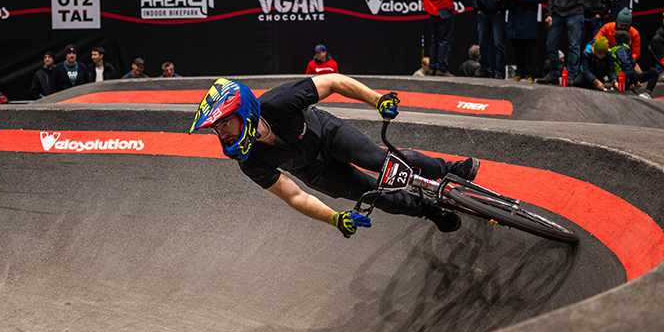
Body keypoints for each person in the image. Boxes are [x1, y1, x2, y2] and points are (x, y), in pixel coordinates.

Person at [188, 76, 479, 237]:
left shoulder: (279, 102)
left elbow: (334, 82)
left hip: (327, 133)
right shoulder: (249, 160)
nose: (221, 133)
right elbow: (293, 196)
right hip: (315, 171)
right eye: (216, 128)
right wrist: (335, 219)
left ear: (243, 112)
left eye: (224, 123)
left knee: (382, 161)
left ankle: (449, 169)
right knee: (378, 196)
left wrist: (377, 100)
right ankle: (431, 211)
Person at [505, 0, 547, 81]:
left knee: (529, 46)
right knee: (517, 46)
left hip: (528, 16)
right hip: (514, 16)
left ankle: (531, 74)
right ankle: (519, 73)